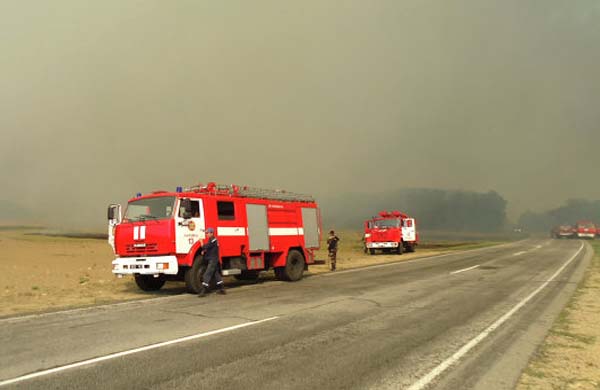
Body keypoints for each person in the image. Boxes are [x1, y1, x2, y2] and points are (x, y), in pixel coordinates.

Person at [198, 228, 226, 297]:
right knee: (216, 274)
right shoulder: (211, 240)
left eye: (207, 233)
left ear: (211, 233)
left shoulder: (213, 240)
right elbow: (209, 248)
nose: (206, 234)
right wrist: (204, 251)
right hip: (213, 260)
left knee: (207, 274)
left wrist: (201, 243)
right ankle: (222, 289)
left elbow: (206, 246)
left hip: (213, 260)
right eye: (206, 233)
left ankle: (203, 291)